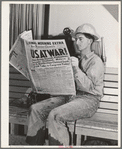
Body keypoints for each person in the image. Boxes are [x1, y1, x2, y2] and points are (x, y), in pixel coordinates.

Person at [26, 23, 104, 145]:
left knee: (55, 115)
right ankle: (34, 145)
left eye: (80, 39)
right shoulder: (74, 57)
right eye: (76, 39)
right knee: (35, 109)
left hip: (89, 99)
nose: (77, 42)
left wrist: (76, 68)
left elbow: (90, 87)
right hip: (69, 95)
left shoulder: (96, 61)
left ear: (90, 41)